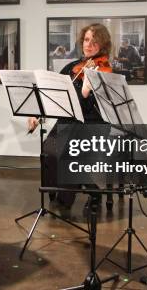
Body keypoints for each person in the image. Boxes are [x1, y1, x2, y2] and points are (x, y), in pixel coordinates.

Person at [27, 24, 113, 209]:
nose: (89, 45)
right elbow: (50, 94)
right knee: (49, 151)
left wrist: (85, 91)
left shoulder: (103, 71)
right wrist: (38, 115)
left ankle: (69, 199)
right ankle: (56, 190)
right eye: (87, 40)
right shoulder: (72, 67)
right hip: (67, 121)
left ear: (103, 46)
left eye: (95, 42)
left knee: (69, 153)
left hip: (92, 123)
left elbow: (92, 106)